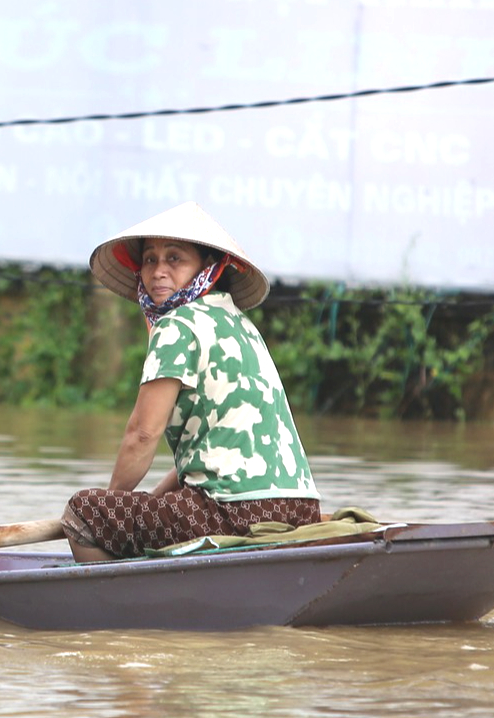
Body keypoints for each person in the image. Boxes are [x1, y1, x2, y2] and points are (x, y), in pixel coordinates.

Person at [63, 201, 320, 562]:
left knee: (83, 512)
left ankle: (120, 614)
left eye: (174, 259)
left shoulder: (176, 325)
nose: (157, 272)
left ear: (208, 267)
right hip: (300, 509)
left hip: (233, 513)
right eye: (150, 259)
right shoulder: (242, 326)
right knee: (140, 511)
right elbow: (206, 452)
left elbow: (142, 434)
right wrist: (147, 503)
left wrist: (108, 515)